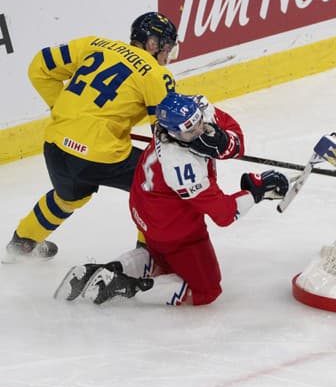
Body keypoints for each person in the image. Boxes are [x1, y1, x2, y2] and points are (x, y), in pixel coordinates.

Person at [54, 92, 289, 306]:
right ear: (173, 133)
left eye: (198, 124)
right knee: (207, 291)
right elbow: (224, 214)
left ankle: (108, 270)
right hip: (171, 226)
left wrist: (222, 141)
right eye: (189, 131)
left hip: (146, 208)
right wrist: (256, 192)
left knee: (163, 259)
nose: (198, 132)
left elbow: (233, 137)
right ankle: (128, 287)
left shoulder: (192, 110)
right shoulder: (180, 166)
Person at [5, 12, 178, 262]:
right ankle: (146, 255)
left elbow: (39, 67)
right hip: (96, 155)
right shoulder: (156, 75)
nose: (168, 55)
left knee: (70, 196)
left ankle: (22, 243)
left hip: (55, 145)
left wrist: (64, 109)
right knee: (157, 183)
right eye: (167, 47)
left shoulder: (94, 43)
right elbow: (164, 138)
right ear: (153, 44)